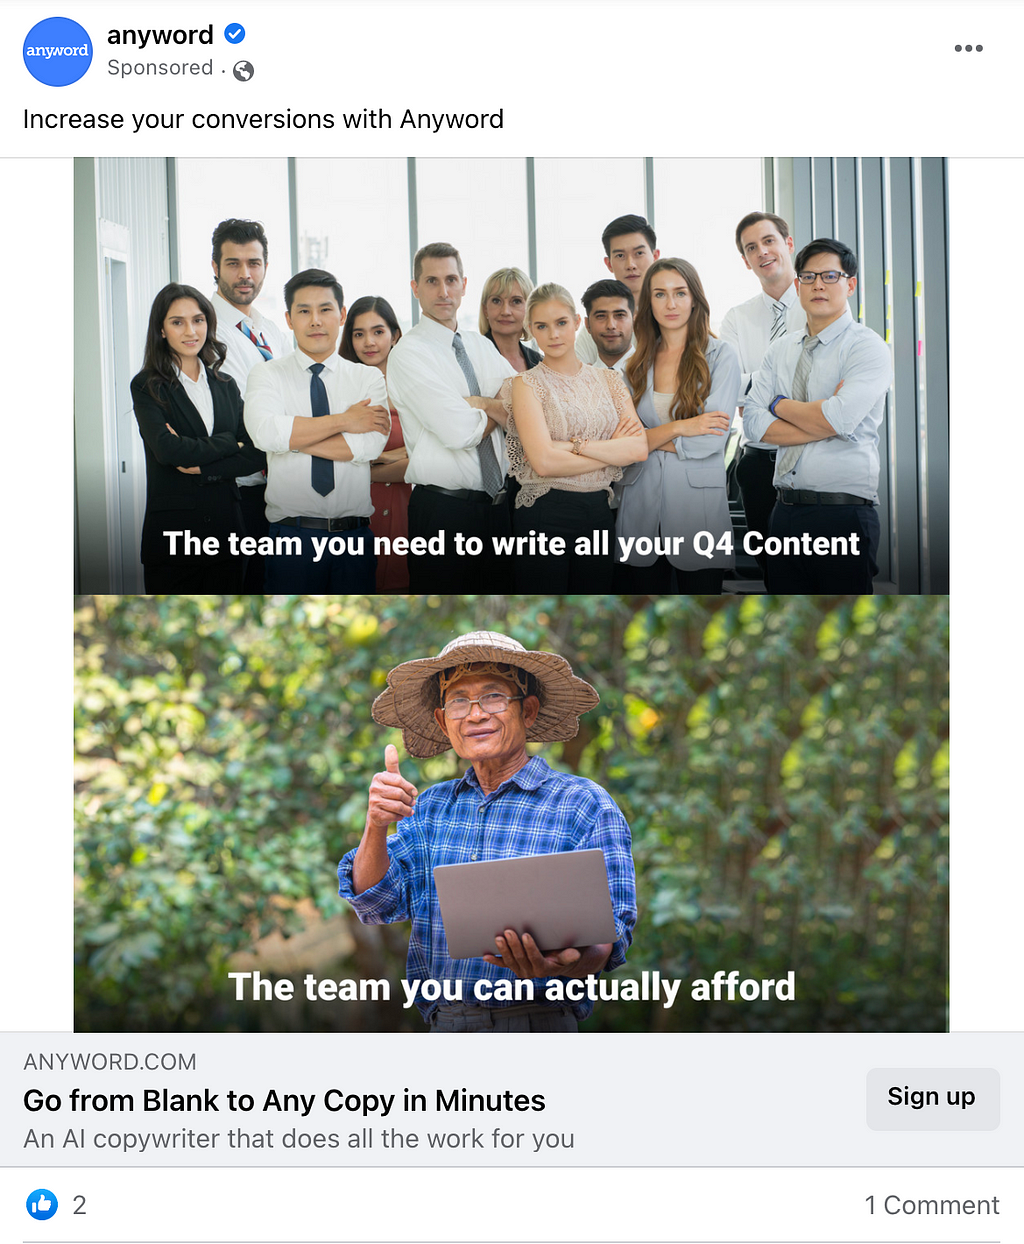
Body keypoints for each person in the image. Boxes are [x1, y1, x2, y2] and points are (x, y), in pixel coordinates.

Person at [338, 630, 637, 1032]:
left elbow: (610, 940)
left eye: (494, 697)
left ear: (527, 712)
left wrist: (561, 964)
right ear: (444, 722)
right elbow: (375, 903)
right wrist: (376, 825)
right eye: (459, 702)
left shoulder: (584, 804)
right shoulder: (429, 809)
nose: (475, 714)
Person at [742, 238, 891, 593]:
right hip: (784, 511)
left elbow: (837, 419)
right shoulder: (781, 349)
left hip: (842, 514)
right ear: (797, 285)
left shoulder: (866, 347)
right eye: (808, 277)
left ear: (850, 284)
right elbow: (751, 422)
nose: (818, 285)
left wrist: (777, 404)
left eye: (829, 275)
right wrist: (822, 419)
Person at [244, 269, 391, 592]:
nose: (315, 321)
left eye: (325, 310)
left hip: (353, 539)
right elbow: (265, 434)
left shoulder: (366, 378)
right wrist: (344, 420)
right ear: (288, 318)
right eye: (304, 311)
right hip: (291, 539)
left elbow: (368, 447)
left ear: (341, 315)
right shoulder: (266, 374)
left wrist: (291, 438)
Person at [385, 243, 517, 592]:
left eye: (451, 280)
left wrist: (480, 404)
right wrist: (498, 406)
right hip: (444, 512)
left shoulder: (480, 345)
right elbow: (459, 431)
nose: (443, 291)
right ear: (415, 288)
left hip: (499, 510)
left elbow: (526, 402)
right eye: (431, 281)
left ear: (464, 285)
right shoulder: (408, 354)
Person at [503, 284, 647, 592]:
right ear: (531, 330)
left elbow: (638, 447)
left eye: (561, 323)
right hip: (545, 512)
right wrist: (610, 453)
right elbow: (543, 462)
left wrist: (573, 446)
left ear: (577, 323)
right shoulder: (525, 384)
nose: (553, 334)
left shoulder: (609, 379)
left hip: (598, 512)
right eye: (542, 326)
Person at [616, 258, 742, 594]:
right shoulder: (631, 365)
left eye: (679, 293)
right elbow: (620, 447)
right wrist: (680, 428)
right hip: (640, 507)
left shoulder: (720, 356)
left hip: (696, 511)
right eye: (659, 294)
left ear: (694, 299)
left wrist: (647, 439)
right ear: (648, 303)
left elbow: (711, 441)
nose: (670, 304)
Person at [130, 283, 265, 591]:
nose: (190, 330)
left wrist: (205, 466)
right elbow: (168, 451)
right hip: (173, 539)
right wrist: (231, 442)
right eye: (177, 322)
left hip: (227, 533)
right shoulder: (148, 386)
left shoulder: (226, 385)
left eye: (198, 320)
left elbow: (258, 452)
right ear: (162, 330)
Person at [720, 212, 805, 576]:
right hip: (757, 464)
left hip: (812, 461)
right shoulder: (737, 318)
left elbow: (825, 384)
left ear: (787, 244)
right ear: (745, 260)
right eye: (751, 247)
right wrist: (786, 386)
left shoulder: (820, 305)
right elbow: (726, 385)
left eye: (768, 241)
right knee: (773, 572)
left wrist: (757, 391)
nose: (762, 252)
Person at [209, 218, 290, 592]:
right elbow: (249, 409)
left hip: (279, 486)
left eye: (253, 263)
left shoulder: (270, 330)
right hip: (241, 490)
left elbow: (295, 396)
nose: (245, 274)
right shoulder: (207, 331)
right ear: (215, 267)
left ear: (265, 268)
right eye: (233, 263)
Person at [339, 295, 411, 591]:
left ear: (394, 336)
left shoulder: (413, 386)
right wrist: (402, 456)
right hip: (354, 509)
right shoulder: (339, 386)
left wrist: (382, 460)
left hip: (407, 507)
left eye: (378, 332)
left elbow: (431, 453)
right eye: (359, 334)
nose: (369, 342)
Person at [575, 214, 659, 365]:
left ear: (655, 256)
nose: (630, 264)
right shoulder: (597, 327)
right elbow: (576, 376)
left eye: (639, 253)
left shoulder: (670, 315)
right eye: (620, 255)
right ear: (609, 264)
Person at [478, 266, 541, 372]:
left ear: (530, 309)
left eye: (516, 301)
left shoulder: (539, 363)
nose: (505, 311)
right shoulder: (472, 357)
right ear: (485, 309)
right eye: (496, 301)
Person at [581, 279, 635, 372]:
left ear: (634, 322)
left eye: (619, 315)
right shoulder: (581, 382)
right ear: (587, 324)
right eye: (601, 316)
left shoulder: (656, 373)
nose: (611, 325)